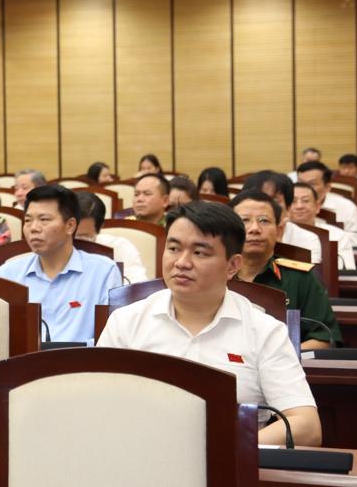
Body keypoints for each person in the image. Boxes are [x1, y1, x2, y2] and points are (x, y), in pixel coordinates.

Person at [97, 201, 321, 447]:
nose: (182, 262)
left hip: (229, 463)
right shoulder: (126, 322)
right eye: (173, 248)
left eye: (199, 253)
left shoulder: (264, 330)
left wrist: (227, 450)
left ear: (232, 265)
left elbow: (307, 427)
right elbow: (95, 407)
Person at [0, 185, 121, 344]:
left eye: (44, 219)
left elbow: (112, 337)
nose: (33, 228)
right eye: (28, 220)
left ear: (70, 226)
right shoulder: (8, 274)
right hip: (24, 359)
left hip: (84, 359)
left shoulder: (103, 271)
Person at [229, 190, 340, 349]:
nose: (254, 228)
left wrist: (282, 356)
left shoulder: (300, 277)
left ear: (279, 230)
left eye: (264, 221)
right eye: (244, 220)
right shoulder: (214, 275)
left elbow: (324, 338)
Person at [242, 171, 321, 265]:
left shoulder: (307, 239)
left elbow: (307, 273)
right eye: (258, 200)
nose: (264, 206)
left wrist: (278, 246)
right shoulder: (233, 233)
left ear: (288, 207)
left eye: (273, 200)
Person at [75, 192, 147, 283]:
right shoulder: (57, 246)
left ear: (100, 227)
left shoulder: (119, 246)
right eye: (69, 235)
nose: (73, 242)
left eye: (82, 237)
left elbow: (137, 283)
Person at [290, 183, 356, 270]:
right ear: (286, 207)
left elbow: (348, 270)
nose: (299, 206)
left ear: (317, 206)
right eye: (293, 201)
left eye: (305, 201)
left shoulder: (338, 235)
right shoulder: (278, 234)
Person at [297, 161, 357, 248]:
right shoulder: (290, 205)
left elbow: (356, 242)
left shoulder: (347, 207)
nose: (304, 189)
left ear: (327, 188)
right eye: (301, 183)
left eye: (312, 184)